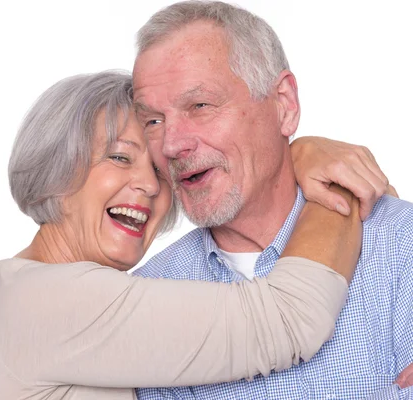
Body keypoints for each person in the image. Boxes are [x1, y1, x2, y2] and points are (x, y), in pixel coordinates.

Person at [0, 71, 387, 400]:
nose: (153, 186)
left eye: (160, 169)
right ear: (56, 171)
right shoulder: (41, 301)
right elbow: (289, 319)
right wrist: (324, 174)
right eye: (119, 157)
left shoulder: (10, 293)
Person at [131, 1, 413, 399]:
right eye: (153, 121)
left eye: (200, 105)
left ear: (284, 104)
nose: (173, 144)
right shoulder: (146, 304)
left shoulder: (402, 245)